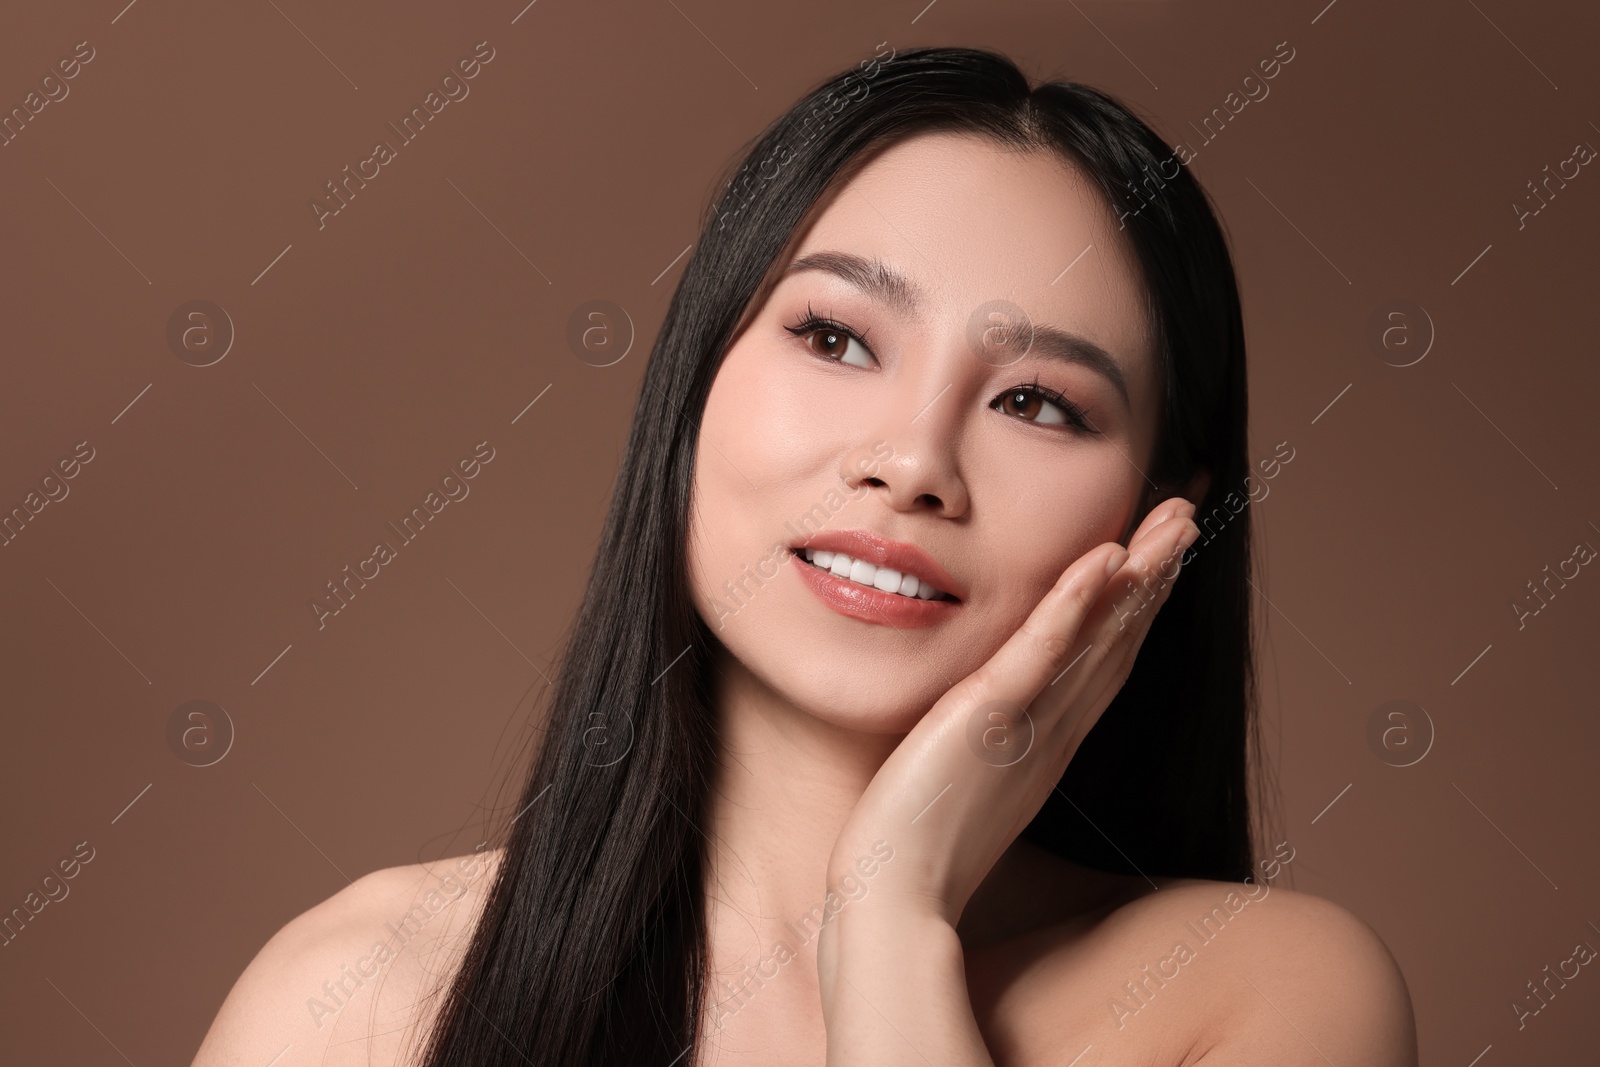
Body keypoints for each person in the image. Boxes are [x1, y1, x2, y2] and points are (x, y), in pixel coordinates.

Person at [192, 45, 1417, 1066]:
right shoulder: (355, 1000)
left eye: (1038, 402)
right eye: (834, 335)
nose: (911, 459)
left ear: (1157, 524)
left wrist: (890, 915)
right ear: (695, 379)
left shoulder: (1264, 994)